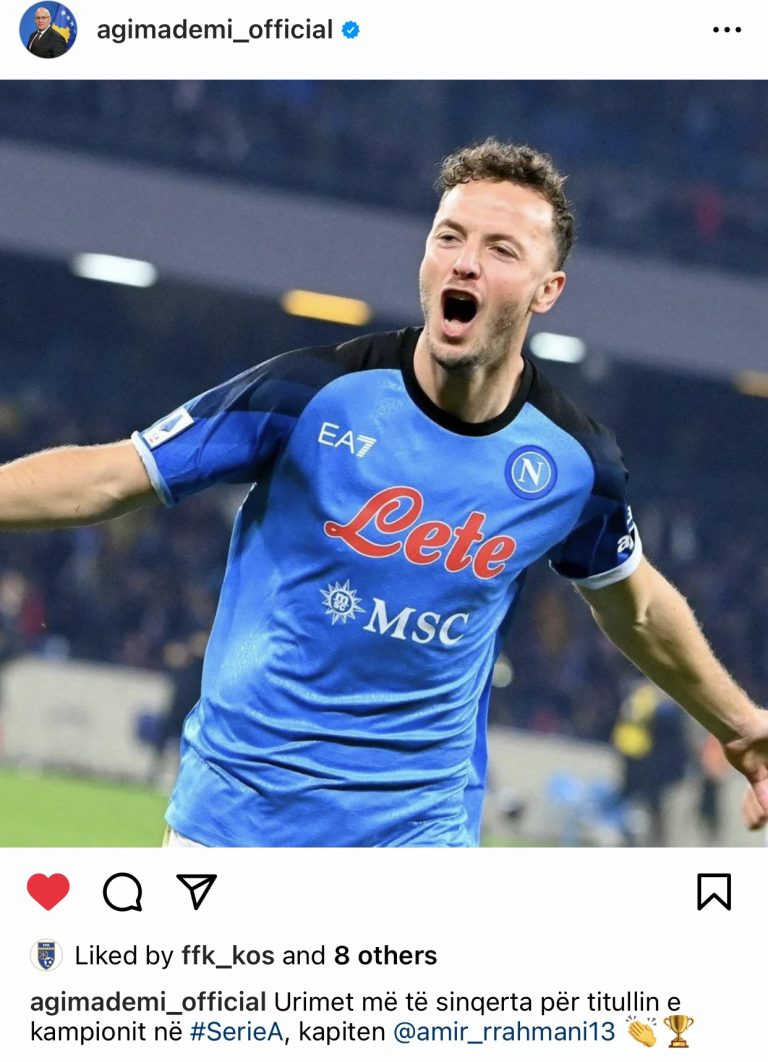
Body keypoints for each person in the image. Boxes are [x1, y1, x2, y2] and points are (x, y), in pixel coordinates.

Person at [2, 139, 767, 847]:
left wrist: (738, 725)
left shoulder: (574, 463)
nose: (466, 263)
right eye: (449, 237)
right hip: (234, 826)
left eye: (501, 249)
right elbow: (112, 475)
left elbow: (635, 604)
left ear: (548, 290)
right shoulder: (310, 392)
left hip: (415, 841)